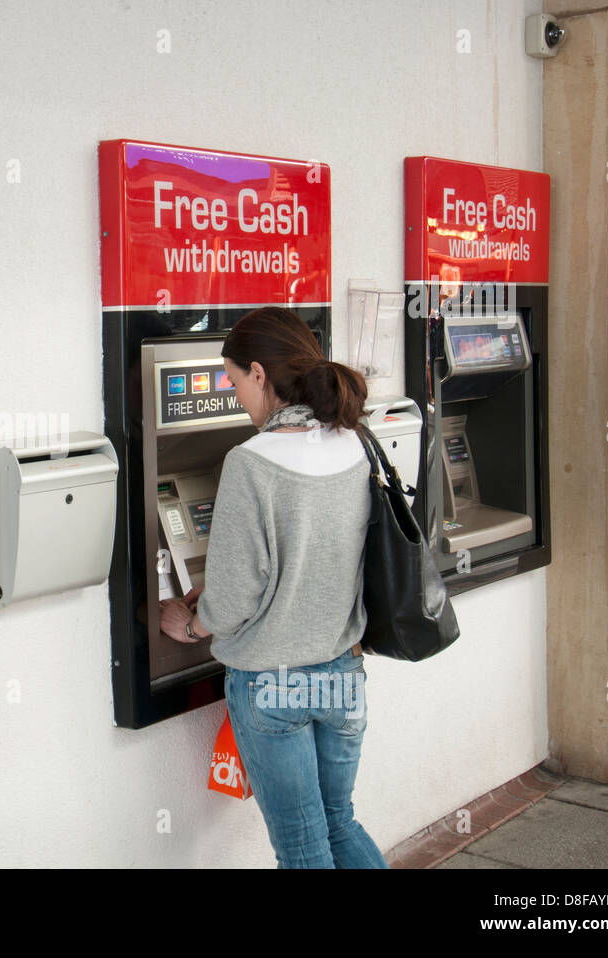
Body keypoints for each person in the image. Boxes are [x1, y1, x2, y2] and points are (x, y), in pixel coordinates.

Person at [158, 306, 388, 869]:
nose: (235, 396)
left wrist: (190, 623)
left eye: (234, 380)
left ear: (259, 374)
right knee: (339, 823)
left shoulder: (252, 462)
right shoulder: (355, 441)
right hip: (341, 672)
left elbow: (235, 601)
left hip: (273, 685)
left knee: (303, 846)